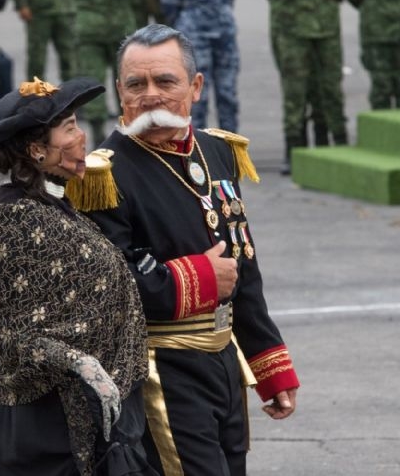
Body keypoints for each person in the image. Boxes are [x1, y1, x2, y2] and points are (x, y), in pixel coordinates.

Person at [74, 24, 300, 476]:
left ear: (195, 87)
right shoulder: (101, 175)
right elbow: (111, 284)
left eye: (166, 81)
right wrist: (200, 277)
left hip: (224, 360)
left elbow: (243, 266)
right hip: (161, 368)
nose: (151, 95)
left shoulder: (216, 150)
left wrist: (269, 364)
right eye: (136, 84)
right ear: (120, 91)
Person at [0, 76, 158, 476]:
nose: (83, 137)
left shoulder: (57, 204)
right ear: (37, 150)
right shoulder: (15, 219)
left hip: (100, 413)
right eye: (70, 127)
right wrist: (82, 363)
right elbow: (17, 334)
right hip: (50, 425)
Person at [261, 0, 349, 175]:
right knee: (295, 93)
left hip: (327, 30)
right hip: (292, 31)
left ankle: (329, 145)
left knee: (329, 89)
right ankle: (294, 150)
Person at [161, 0, 240, 133]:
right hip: (194, 32)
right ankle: (196, 147)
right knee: (196, 94)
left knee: (228, 94)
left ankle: (230, 147)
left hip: (224, 32)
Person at [67, 0, 140, 147]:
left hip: (88, 24)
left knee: (93, 80)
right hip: (119, 23)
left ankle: (97, 133)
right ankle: (128, 131)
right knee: (126, 79)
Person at [258, 0, 328, 147]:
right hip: (289, 31)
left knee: (323, 90)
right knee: (294, 93)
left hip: (324, 31)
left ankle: (323, 145)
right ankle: (295, 149)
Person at [9, 0, 77, 82]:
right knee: (37, 60)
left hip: (65, 8)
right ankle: (36, 98)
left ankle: (72, 97)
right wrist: (22, 4)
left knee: (70, 58)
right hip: (38, 10)